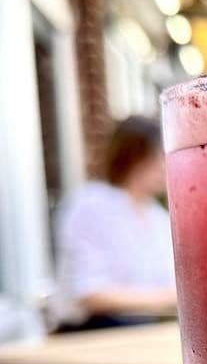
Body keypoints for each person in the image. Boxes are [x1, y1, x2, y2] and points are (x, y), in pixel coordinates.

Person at [54, 117, 176, 331]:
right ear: (135, 156)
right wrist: (168, 297)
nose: (166, 164)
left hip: (142, 330)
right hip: (90, 333)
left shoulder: (158, 217)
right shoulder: (91, 204)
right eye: (160, 155)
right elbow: (88, 293)